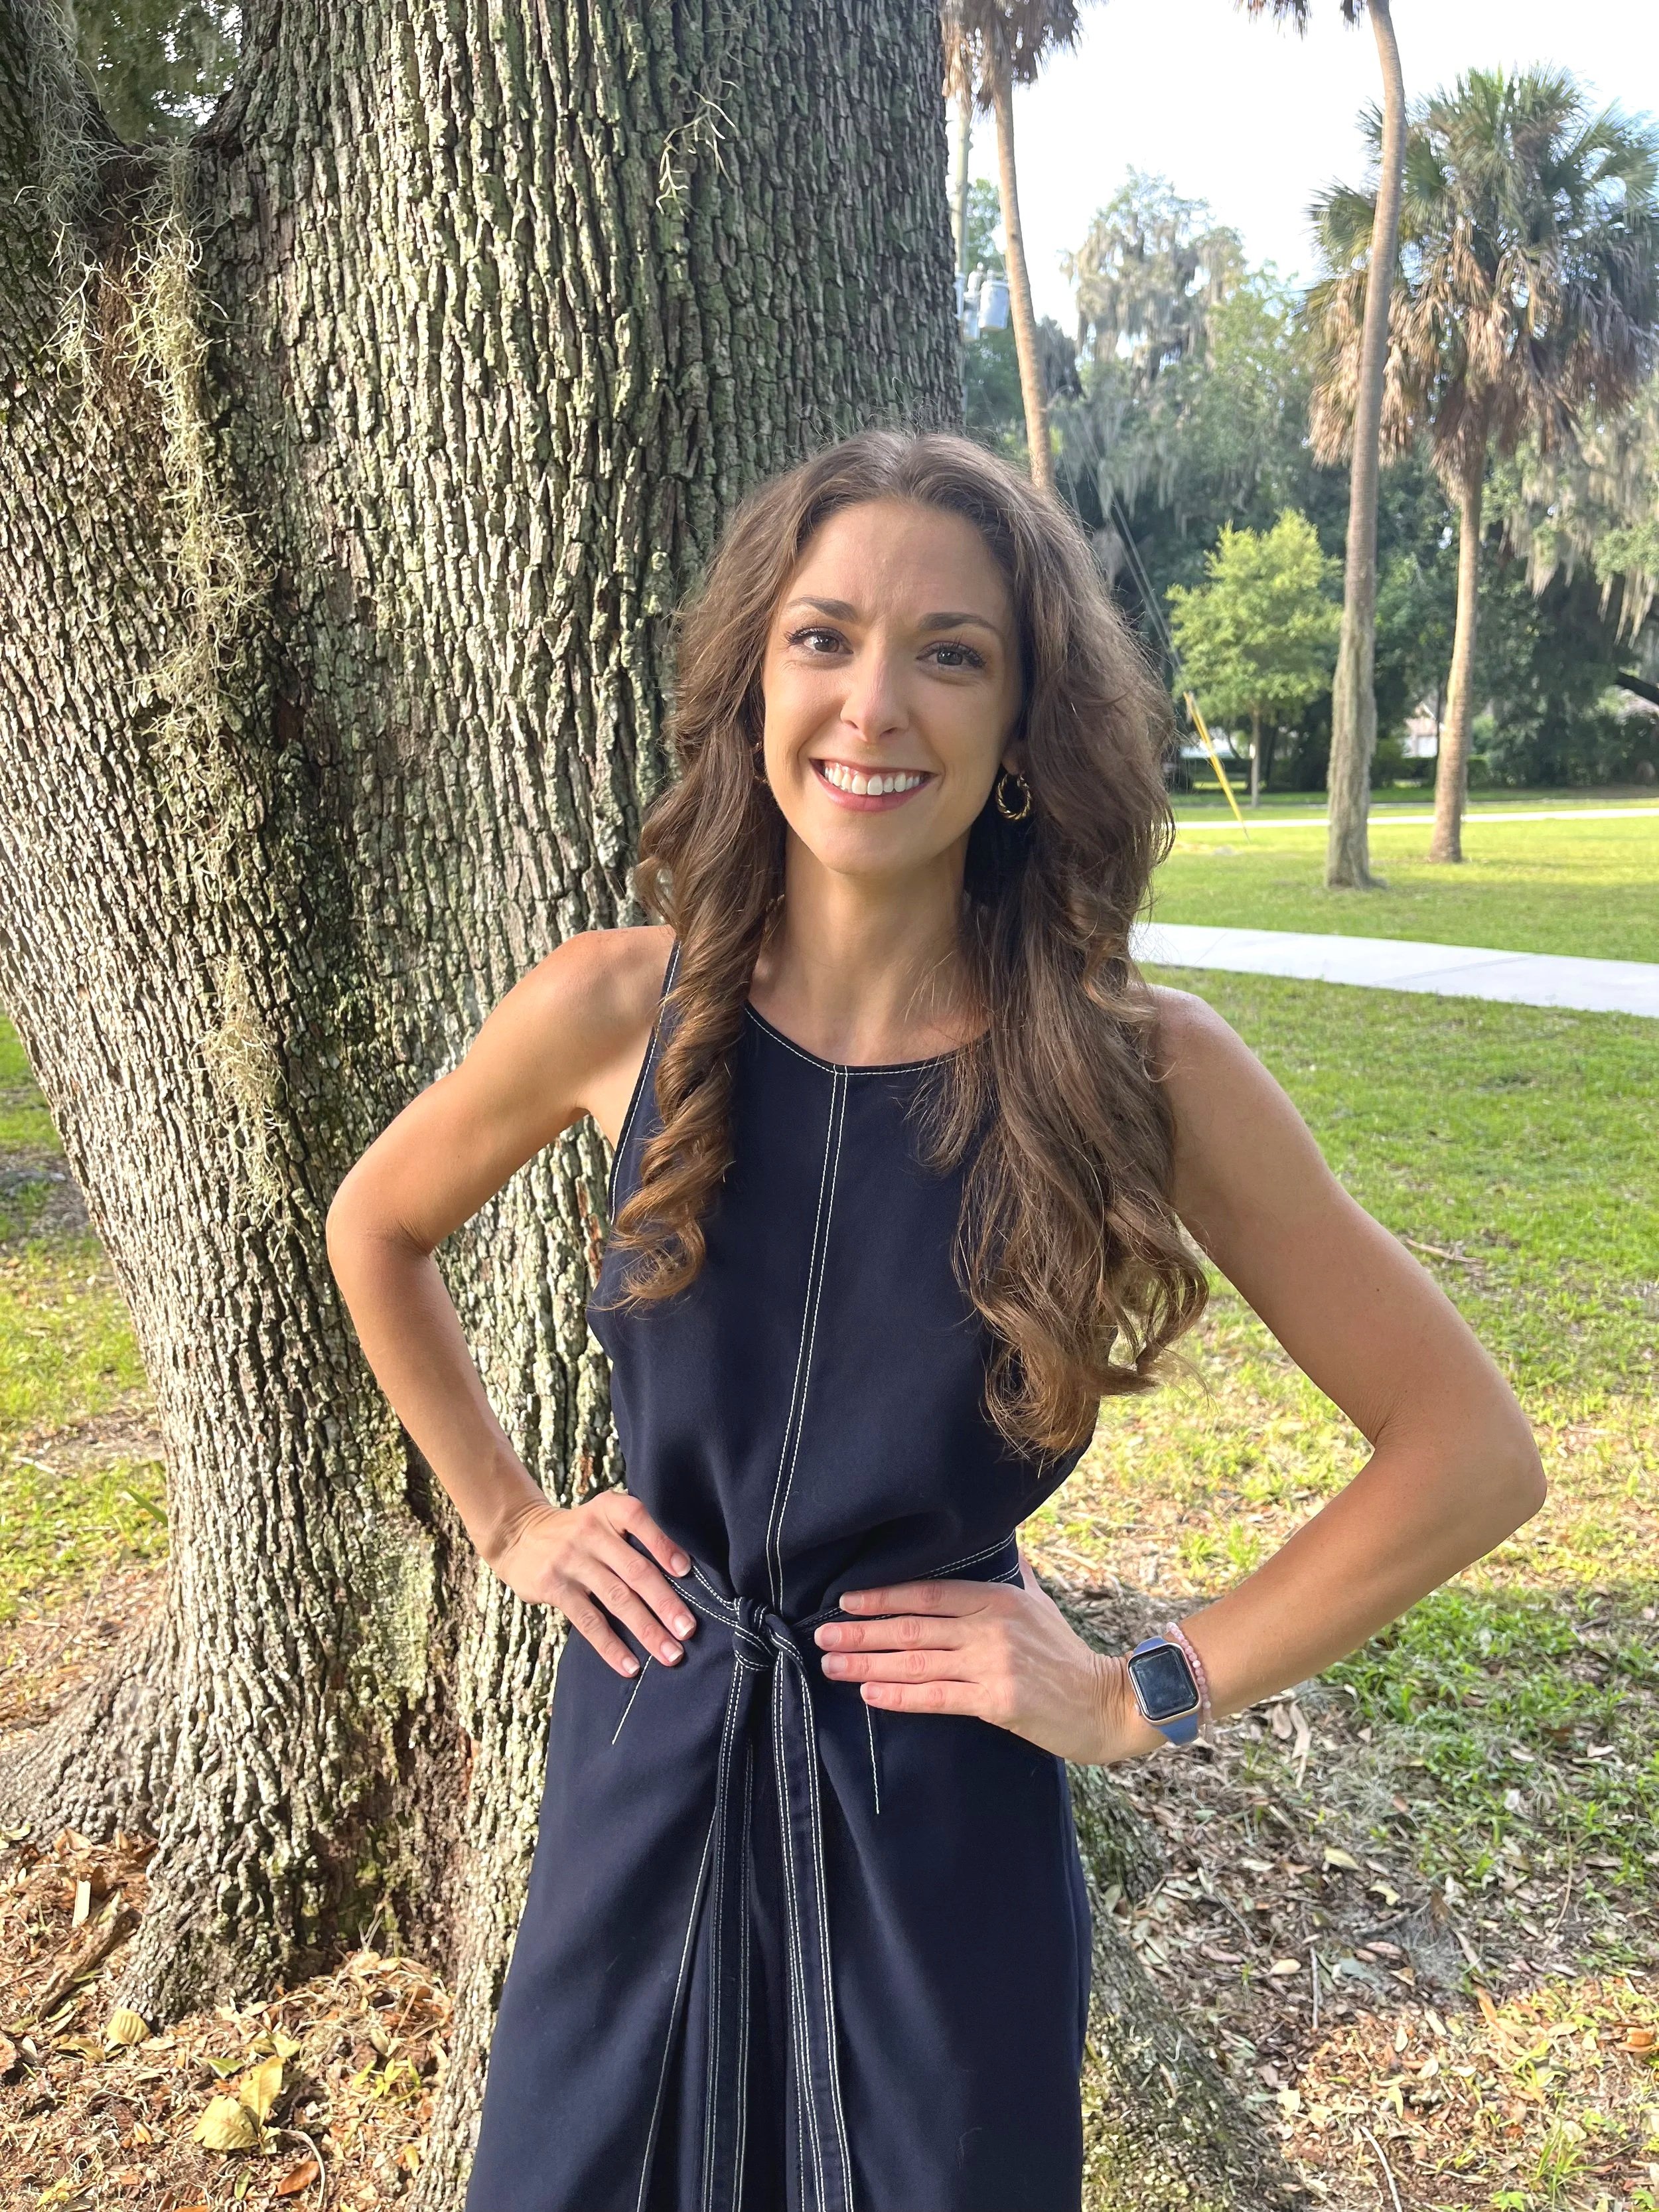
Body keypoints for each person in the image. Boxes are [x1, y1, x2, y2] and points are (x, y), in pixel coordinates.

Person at [324, 429, 1546, 2212]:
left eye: (947, 652)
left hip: (938, 1830)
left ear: (1024, 719)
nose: (872, 705)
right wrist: (508, 1517)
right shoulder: (613, 1010)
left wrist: (1147, 1690)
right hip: (646, 1779)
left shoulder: (1142, 1069)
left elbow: (1468, 1458)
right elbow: (378, 1225)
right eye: (822, 639)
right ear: (757, 674)